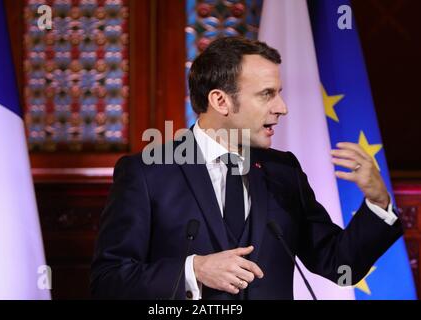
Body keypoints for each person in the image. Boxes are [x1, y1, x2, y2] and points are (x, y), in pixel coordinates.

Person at [90, 36, 402, 300]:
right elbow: (108, 280)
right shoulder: (147, 172)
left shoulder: (284, 171)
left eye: (278, 93)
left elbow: (339, 264)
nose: (282, 107)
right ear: (220, 101)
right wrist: (193, 270)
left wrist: (378, 202)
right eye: (267, 94)